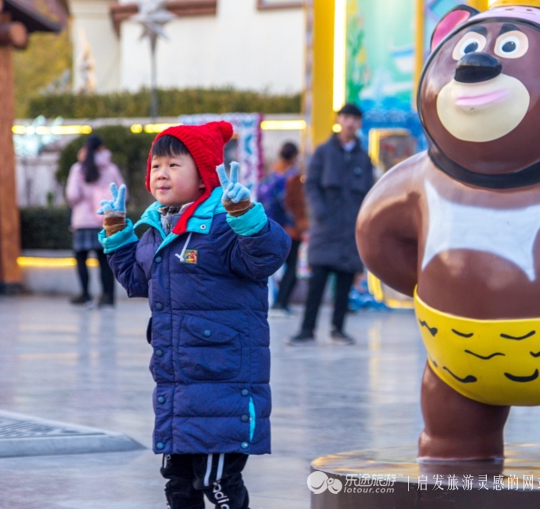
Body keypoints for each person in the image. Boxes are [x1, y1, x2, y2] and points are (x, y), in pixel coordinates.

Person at [97, 121, 290, 509]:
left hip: (224, 381)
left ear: (203, 174)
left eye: (173, 165)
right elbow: (137, 280)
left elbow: (267, 257)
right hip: (178, 385)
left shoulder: (224, 221)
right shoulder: (155, 226)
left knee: (217, 483)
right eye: (156, 166)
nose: (161, 174)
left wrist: (247, 217)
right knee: (179, 485)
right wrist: (118, 233)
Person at [288, 103, 374, 346]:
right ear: (339, 120)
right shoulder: (323, 152)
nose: (350, 123)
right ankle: (307, 329)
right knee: (318, 281)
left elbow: (369, 191)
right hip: (325, 229)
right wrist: (320, 212)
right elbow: (311, 184)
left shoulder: (363, 158)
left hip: (350, 232)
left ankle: (338, 329)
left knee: (345, 282)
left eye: (355, 119)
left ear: (359, 124)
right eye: (346, 117)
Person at [65, 134, 123, 307]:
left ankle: (85, 294)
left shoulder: (78, 168)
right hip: (105, 220)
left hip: (82, 221)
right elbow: (120, 191)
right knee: (105, 260)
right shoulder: (110, 168)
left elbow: (72, 195)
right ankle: (108, 297)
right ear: (101, 147)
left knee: (81, 259)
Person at [258, 141, 307, 316]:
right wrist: (303, 225)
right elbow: (297, 205)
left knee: (268, 266)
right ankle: (280, 303)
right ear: (294, 157)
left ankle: (269, 302)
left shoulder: (269, 176)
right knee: (291, 268)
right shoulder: (293, 177)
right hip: (289, 230)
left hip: (267, 227)